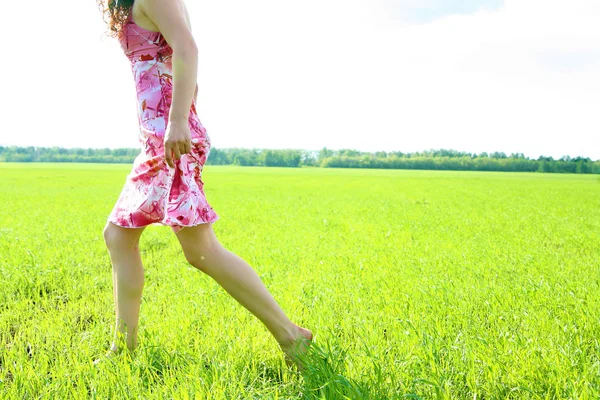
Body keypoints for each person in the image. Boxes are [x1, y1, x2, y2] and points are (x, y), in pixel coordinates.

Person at [94, 0, 312, 368]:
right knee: (119, 236)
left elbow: (187, 47)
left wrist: (179, 119)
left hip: (170, 139)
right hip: (157, 140)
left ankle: (290, 335)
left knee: (201, 250)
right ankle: (123, 348)